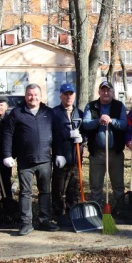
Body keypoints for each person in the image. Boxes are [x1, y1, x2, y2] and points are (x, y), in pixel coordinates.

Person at [1, 84, 58, 235]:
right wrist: (7, 154)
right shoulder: (17, 113)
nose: (33, 97)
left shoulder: (49, 112)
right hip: (25, 161)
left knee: (45, 191)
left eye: (35, 94)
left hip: (45, 160)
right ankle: (26, 222)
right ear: (25, 96)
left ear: (41, 96)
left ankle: (44, 220)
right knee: (25, 193)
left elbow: (57, 135)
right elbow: (8, 134)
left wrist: (59, 153)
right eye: (30, 94)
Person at [82, 81, 128, 209]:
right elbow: (85, 123)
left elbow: (124, 124)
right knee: (96, 186)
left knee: (118, 185)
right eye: (103, 90)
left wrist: (111, 121)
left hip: (115, 152)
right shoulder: (91, 106)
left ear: (113, 92)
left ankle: (120, 210)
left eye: (108, 90)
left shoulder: (119, 106)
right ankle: (97, 210)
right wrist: (98, 121)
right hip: (97, 153)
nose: (106, 92)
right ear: (99, 92)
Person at [51, 83, 85, 228]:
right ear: (60, 96)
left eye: (71, 94)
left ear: (74, 95)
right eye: (65, 94)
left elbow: (86, 132)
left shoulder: (79, 113)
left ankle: (72, 213)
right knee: (58, 188)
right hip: (61, 158)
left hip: (76, 158)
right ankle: (59, 214)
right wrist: (57, 153)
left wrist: (82, 138)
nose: (68, 97)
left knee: (74, 188)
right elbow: (51, 135)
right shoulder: (54, 113)